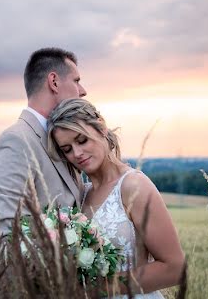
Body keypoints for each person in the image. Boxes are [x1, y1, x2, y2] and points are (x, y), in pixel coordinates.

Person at [47, 98, 185, 297]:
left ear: (101, 128)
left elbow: (174, 268)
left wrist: (96, 288)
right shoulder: (80, 194)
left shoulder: (133, 186)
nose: (77, 153)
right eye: (67, 149)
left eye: (82, 140)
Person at [0, 47, 87, 235]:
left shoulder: (65, 140)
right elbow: (6, 236)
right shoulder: (16, 141)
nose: (83, 91)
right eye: (76, 81)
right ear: (54, 82)